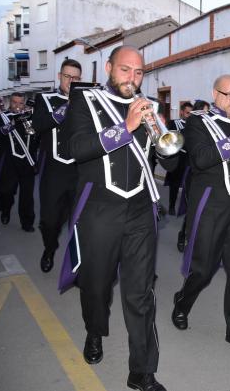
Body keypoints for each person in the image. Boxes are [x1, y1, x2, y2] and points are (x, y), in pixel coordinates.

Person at [60, 45, 175, 391]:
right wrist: (126, 127)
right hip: (99, 210)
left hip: (140, 211)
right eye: (125, 70)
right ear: (109, 68)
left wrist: (165, 138)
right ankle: (95, 331)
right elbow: (73, 149)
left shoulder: (150, 107)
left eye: (139, 72)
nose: (132, 78)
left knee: (140, 293)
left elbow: (170, 165)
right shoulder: (86, 101)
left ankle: (142, 371)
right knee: (95, 287)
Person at [171, 75, 230, 353]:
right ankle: (182, 301)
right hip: (210, 207)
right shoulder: (198, 122)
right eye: (229, 94)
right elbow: (201, 159)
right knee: (203, 269)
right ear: (215, 94)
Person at [32, 58, 82, 273]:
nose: (71, 81)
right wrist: (66, 107)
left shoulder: (86, 101)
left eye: (76, 78)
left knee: (81, 223)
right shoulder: (44, 98)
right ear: (60, 76)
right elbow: (39, 125)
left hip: (80, 171)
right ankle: (49, 248)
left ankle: (78, 265)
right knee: (50, 221)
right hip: (54, 172)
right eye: (67, 76)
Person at [0, 92, 38, 231]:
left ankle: (27, 223)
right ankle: (6, 209)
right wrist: (13, 123)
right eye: (14, 102)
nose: (17, 106)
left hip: (28, 162)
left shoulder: (31, 117)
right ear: (10, 103)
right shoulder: (2, 117)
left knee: (27, 195)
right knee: (7, 191)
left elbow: (37, 138)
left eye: (20, 103)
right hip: (10, 162)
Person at [176, 99, 210, 252]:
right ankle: (183, 235)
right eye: (204, 111)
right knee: (192, 209)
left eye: (208, 112)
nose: (206, 114)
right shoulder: (192, 127)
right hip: (194, 174)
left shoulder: (210, 128)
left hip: (208, 176)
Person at [164, 101, 194, 216]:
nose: (189, 115)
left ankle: (188, 207)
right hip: (178, 157)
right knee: (174, 184)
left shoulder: (194, 125)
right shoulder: (173, 123)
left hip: (190, 158)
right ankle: (171, 206)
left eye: (191, 113)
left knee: (190, 184)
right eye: (187, 113)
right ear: (181, 112)